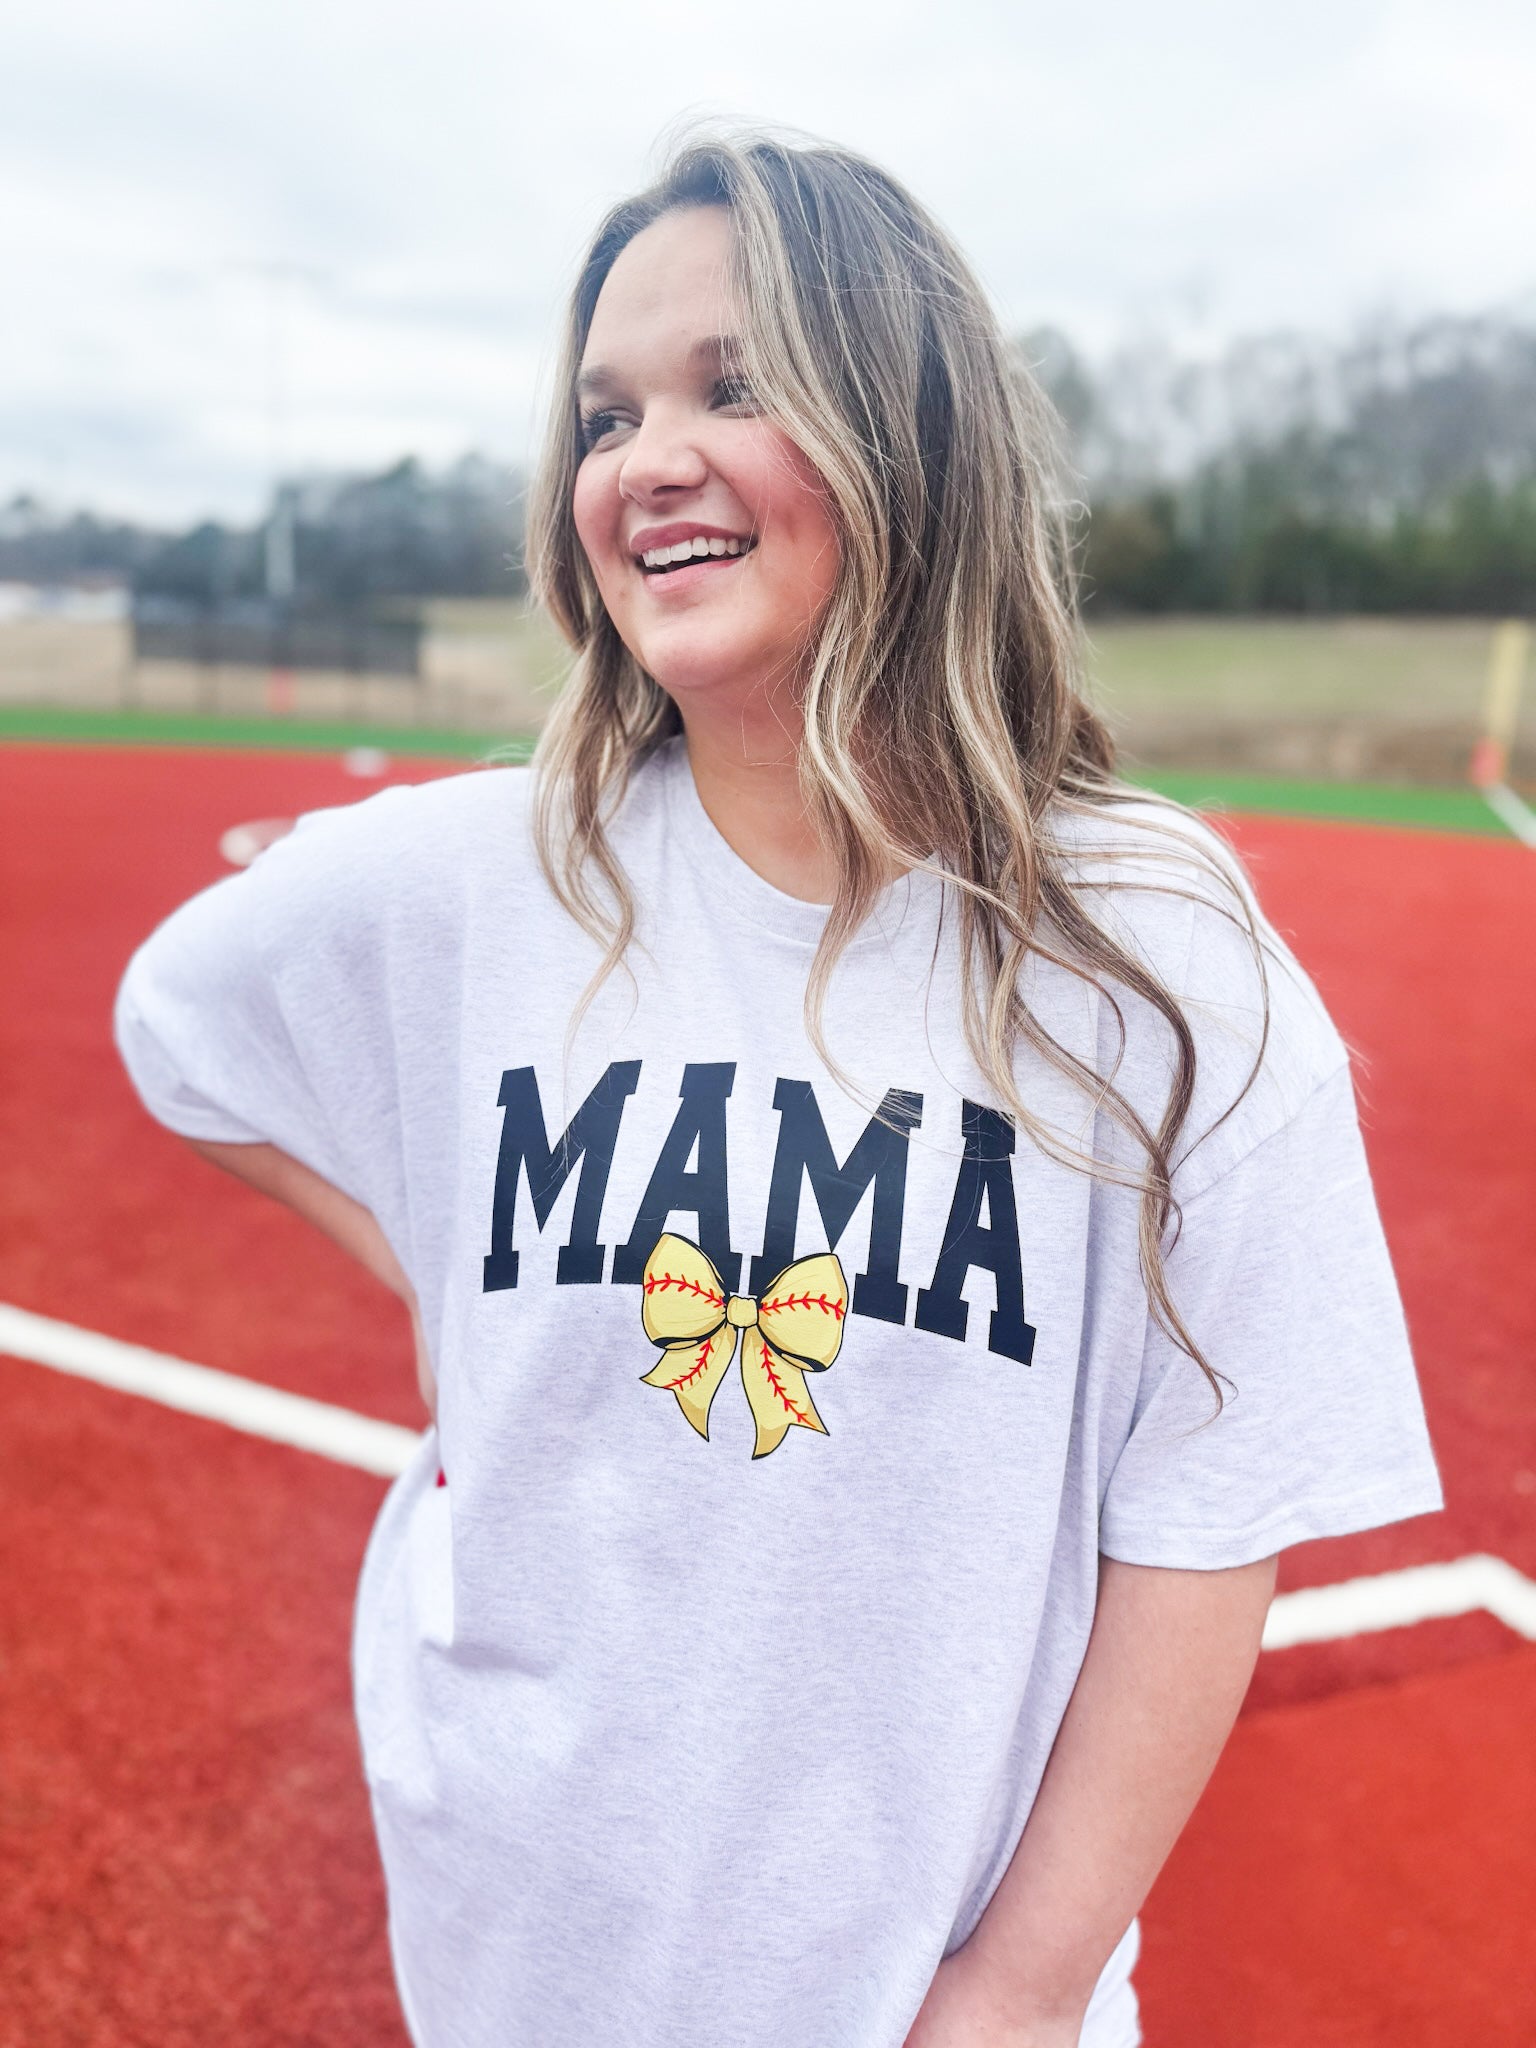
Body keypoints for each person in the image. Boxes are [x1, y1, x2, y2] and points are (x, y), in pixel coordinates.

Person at [113, 131, 1442, 2048]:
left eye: (733, 387)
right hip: (517, 1939)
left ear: (911, 434)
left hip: (923, 1991)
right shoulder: (480, 877)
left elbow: (1208, 1512)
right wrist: (443, 1280)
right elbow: (180, 1026)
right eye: (607, 415)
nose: (646, 459)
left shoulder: (1154, 955)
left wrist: (1025, 1987)